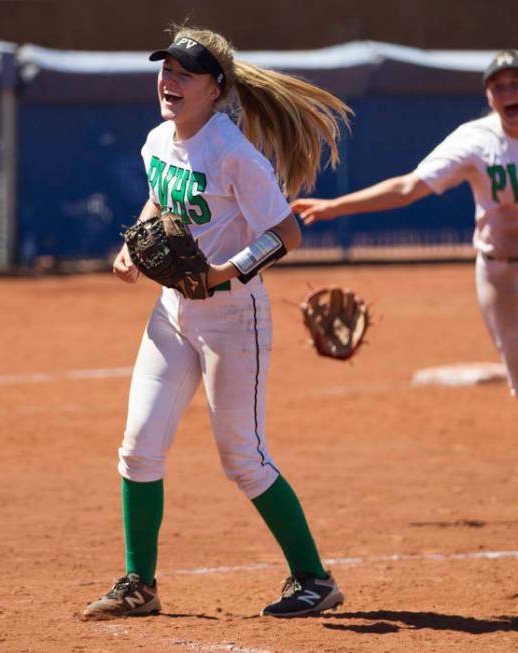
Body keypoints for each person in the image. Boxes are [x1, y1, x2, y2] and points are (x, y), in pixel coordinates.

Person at [81, 25, 352, 620]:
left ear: (215, 89)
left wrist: (224, 272)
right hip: (173, 313)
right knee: (138, 448)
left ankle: (314, 578)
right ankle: (139, 584)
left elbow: (286, 233)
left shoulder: (234, 153)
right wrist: (137, 241)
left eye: (184, 73)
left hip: (234, 320)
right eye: (166, 69)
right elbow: (159, 200)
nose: (168, 80)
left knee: (243, 458)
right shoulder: (158, 141)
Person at [291, 50, 518, 522]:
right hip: (499, 274)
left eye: (517, 83)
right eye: (498, 86)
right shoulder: (475, 141)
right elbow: (409, 187)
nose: (508, 93)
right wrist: (337, 207)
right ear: (488, 97)